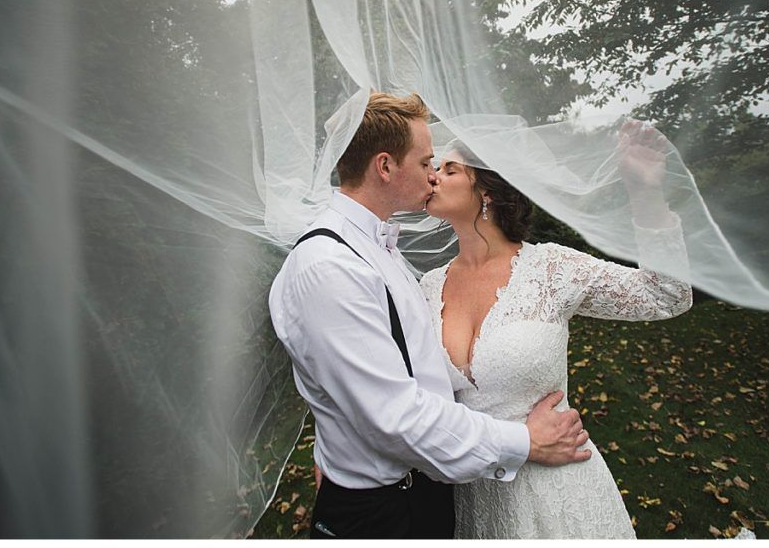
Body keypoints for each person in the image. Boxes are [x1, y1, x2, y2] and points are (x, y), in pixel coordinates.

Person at [268, 92, 592, 540]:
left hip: (421, 492)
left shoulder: (377, 249)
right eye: (424, 163)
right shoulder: (330, 267)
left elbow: (394, 373)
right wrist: (525, 441)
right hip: (383, 513)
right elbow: (393, 418)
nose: (432, 175)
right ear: (385, 167)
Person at [420, 120, 694, 539]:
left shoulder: (551, 269)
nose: (433, 175)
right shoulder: (427, 288)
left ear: (487, 192)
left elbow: (666, 295)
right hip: (473, 500)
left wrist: (645, 192)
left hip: (561, 497)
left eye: (450, 169)